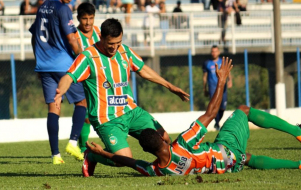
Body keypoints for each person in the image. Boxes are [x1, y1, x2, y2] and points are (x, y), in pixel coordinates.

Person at [87, 57, 301, 176]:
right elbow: (211, 112)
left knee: (247, 158)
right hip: (225, 148)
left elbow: (130, 161)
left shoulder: (157, 171)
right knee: (244, 110)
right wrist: (222, 81)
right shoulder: (182, 144)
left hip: (229, 166)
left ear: (147, 150)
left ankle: (297, 165)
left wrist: (103, 153)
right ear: (162, 139)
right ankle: (297, 131)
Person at [54, 18, 190, 177]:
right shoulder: (88, 57)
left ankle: (172, 168)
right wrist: (59, 93)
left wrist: (170, 86)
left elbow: (143, 70)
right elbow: (69, 77)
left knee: (164, 139)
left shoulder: (124, 51)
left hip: (131, 112)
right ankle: (92, 155)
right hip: (107, 119)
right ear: (102, 38)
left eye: (118, 42)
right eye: (111, 43)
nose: (114, 47)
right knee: (123, 159)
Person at [29, 0, 87, 164]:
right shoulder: (63, 9)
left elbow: (33, 35)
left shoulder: (42, 7)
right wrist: (83, 59)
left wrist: (38, 57)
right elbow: (71, 40)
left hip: (44, 66)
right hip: (62, 65)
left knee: (54, 108)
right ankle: (72, 142)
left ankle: (56, 156)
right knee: (82, 102)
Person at [74, 2, 100, 154]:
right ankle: (83, 147)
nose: (88, 22)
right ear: (78, 18)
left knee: (94, 113)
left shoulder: (99, 32)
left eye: (91, 18)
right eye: (84, 18)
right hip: (81, 79)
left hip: (98, 78)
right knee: (84, 111)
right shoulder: (74, 36)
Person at [203, 45, 232, 131]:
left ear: (218, 52)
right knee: (215, 106)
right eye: (212, 51)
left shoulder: (222, 62)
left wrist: (230, 80)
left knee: (222, 107)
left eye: (215, 51)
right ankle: (217, 124)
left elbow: (228, 71)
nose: (214, 53)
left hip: (223, 87)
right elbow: (205, 76)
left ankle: (217, 122)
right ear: (211, 52)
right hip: (212, 88)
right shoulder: (207, 63)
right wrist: (204, 88)